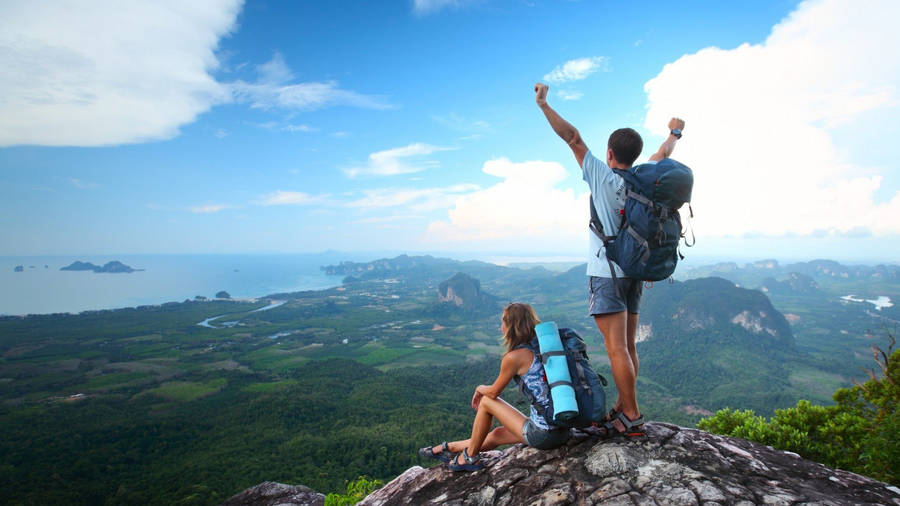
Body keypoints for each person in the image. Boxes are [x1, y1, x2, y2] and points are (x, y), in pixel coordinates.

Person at [534, 82, 684, 437]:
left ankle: (630, 414)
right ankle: (623, 404)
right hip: (634, 272)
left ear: (609, 151)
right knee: (628, 346)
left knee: (615, 348)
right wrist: (675, 133)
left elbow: (571, 137)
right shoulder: (642, 180)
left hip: (607, 274)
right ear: (635, 154)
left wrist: (543, 105)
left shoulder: (602, 175)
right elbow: (662, 155)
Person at [417, 303, 570, 471]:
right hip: (563, 429)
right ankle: (448, 448)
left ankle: (469, 457)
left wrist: (479, 388)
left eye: (502, 323)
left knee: (486, 402)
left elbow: (493, 392)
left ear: (511, 326)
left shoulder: (515, 357)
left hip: (544, 434)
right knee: (496, 434)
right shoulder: (546, 348)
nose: (500, 327)